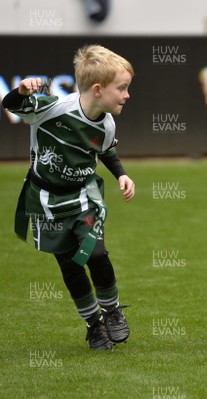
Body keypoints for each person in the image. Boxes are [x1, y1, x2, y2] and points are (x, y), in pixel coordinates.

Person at [2, 44, 135, 351]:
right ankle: (93, 326)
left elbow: (107, 150)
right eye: (123, 88)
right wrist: (21, 91)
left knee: (96, 254)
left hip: (84, 197)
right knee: (70, 266)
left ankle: (112, 310)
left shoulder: (108, 123)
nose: (127, 95)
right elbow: (12, 106)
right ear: (99, 89)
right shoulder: (51, 108)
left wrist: (122, 174)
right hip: (46, 201)